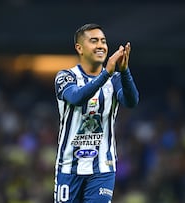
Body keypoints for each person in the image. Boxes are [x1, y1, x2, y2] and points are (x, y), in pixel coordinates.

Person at [53, 23, 139, 203]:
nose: (101, 45)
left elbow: (131, 102)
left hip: (102, 169)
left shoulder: (114, 80)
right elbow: (77, 97)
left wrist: (124, 71)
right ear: (80, 48)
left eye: (103, 41)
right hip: (69, 168)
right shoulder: (65, 77)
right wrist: (106, 73)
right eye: (94, 41)